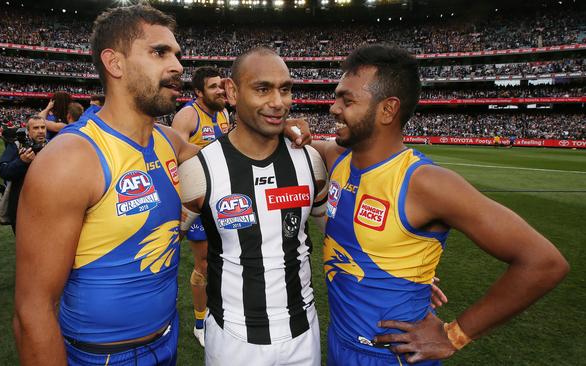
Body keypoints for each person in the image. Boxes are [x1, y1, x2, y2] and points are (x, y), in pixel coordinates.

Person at [311, 44, 569, 365]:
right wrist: (295, 127)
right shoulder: (336, 158)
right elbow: (300, 137)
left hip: (394, 357)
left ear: (388, 109)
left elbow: (544, 262)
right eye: (337, 96)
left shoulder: (425, 183)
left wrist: (454, 334)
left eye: (347, 100)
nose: (334, 108)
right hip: (339, 345)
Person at [13, 5, 200, 365]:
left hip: (168, 339)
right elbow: (33, 311)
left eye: (178, 54)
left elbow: (233, 161)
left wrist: (283, 132)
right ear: (114, 64)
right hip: (100, 357)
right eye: (160, 52)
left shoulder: (169, 142)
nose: (178, 66)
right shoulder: (71, 159)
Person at [179, 47, 327, 366]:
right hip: (233, 341)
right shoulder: (200, 169)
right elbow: (162, 244)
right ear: (232, 92)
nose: (278, 102)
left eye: (285, 89)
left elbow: (338, 234)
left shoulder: (310, 162)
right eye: (263, 89)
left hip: (303, 337)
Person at [171, 66, 230, 346]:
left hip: (222, 199)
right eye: (214, 87)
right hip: (196, 202)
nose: (221, 90)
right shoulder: (187, 115)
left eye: (221, 85)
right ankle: (199, 322)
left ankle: (219, 310)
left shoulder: (224, 113)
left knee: (225, 258)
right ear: (198, 92)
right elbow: (173, 157)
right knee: (204, 263)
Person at [0, 115, 47, 233]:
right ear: (28, 131)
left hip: (46, 204)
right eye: (35, 128)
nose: (40, 131)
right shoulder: (16, 146)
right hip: (21, 206)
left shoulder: (53, 145)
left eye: (43, 127)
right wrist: (22, 162)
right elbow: (4, 171)